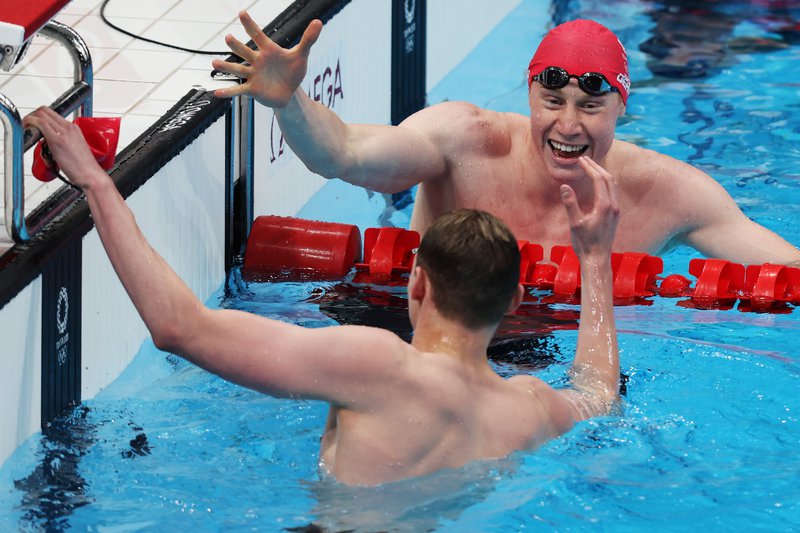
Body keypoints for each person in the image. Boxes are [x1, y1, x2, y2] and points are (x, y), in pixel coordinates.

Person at [25, 106, 621, 486]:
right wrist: (595, 260)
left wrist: (96, 181)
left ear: (416, 282)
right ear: (516, 299)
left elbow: (178, 327)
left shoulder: (382, 365)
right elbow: (599, 393)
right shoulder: (530, 407)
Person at [212, 13, 800, 267]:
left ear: (623, 106)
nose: (568, 126)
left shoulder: (671, 193)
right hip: (422, 327)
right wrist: (288, 102)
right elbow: (342, 154)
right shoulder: (463, 139)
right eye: (552, 102)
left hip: (553, 358)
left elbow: (787, 270)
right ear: (528, 96)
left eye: (591, 106)